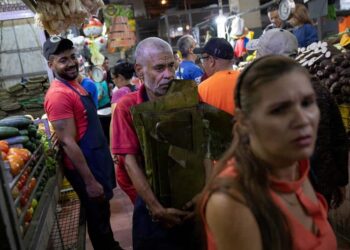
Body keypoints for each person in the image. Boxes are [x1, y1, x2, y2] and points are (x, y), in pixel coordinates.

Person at [200, 55, 337, 250]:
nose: (302, 119)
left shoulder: (295, 165)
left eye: (307, 103)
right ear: (245, 120)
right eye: (279, 110)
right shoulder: (233, 202)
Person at [248, 28, 349, 208]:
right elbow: (338, 137)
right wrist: (339, 181)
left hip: (289, 189)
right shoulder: (317, 88)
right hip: (316, 187)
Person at [113, 37, 196, 250]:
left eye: (171, 66)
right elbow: (129, 163)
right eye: (159, 68)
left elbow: (203, 148)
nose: (168, 74)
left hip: (190, 201)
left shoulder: (186, 97)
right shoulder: (126, 107)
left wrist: (203, 195)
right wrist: (155, 208)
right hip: (151, 202)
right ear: (140, 71)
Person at [43, 36, 122, 250]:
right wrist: (89, 181)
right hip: (86, 168)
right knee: (98, 220)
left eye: (72, 57)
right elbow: (67, 142)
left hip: (96, 160)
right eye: (62, 60)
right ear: (51, 64)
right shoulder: (58, 95)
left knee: (102, 214)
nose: (71, 63)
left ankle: (111, 245)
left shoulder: (74, 85)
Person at [110, 61, 138, 204]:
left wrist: (113, 149)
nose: (113, 82)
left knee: (124, 179)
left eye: (114, 78)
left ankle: (143, 208)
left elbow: (115, 122)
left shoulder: (119, 93)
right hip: (137, 141)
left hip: (124, 142)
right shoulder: (136, 89)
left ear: (120, 77)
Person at [194, 37, 238, 115]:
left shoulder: (201, 90)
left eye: (203, 59)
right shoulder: (248, 80)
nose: (202, 64)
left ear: (211, 61)